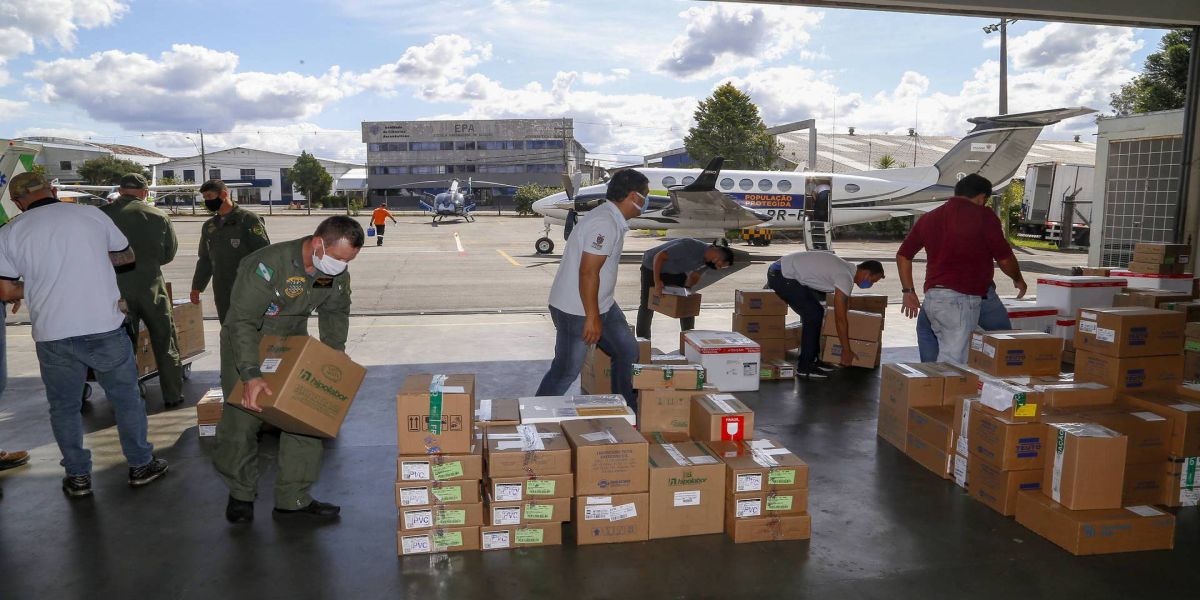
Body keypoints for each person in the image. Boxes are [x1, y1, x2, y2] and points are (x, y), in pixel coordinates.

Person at [0, 172, 168, 497]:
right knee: (125, 399)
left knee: (63, 407)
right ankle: (140, 464)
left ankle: (78, 476)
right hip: (102, 327)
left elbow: (5, 290)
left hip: (52, 334)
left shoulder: (9, 232)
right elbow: (126, 257)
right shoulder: (91, 214)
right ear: (51, 190)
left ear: (18, 202)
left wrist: (34, 285)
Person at [213, 216, 362, 524]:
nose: (340, 266)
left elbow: (335, 310)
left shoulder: (333, 273)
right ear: (318, 243)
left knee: (305, 416)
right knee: (243, 419)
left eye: (348, 262)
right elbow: (242, 322)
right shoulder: (267, 264)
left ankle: (293, 498)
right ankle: (241, 492)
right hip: (248, 341)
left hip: (292, 339)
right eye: (337, 259)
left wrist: (335, 351)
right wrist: (251, 374)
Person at [536, 169, 648, 410]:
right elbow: (588, 272)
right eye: (645, 195)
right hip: (577, 310)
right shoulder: (605, 223)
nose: (646, 202)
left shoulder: (611, 217)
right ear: (633, 197)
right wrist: (592, 317)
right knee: (566, 371)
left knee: (628, 351)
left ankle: (625, 409)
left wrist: (598, 311)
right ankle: (533, 418)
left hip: (601, 304)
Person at [897, 174, 1027, 363]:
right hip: (961, 300)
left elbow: (903, 255)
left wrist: (908, 291)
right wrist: (1018, 279)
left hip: (933, 297)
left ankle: (926, 384)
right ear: (982, 197)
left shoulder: (929, 217)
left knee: (928, 333)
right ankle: (941, 389)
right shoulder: (983, 216)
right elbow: (1005, 259)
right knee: (954, 362)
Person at [100, 173, 184, 408]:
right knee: (164, 341)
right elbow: (167, 254)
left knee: (123, 345)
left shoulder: (102, 215)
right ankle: (173, 393)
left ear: (120, 189)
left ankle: (129, 395)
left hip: (115, 289)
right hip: (151, 287)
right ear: (145, 192)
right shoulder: (158, 215)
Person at [767, 252, 885, 380]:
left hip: (784, 271)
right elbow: (840, 319)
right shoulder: (845, 277)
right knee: (813, 315)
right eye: (872, 281)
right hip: (781, 274)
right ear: (866, 273)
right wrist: (846, 350)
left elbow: (844, 306)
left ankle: (813, 360)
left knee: (816, 312)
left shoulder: (846, 269)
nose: (870, 284)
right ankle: (804, 367)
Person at [190, 179, 271, 323]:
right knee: (227, 326)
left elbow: (264, 254)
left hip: (247, 286)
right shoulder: (209, 226)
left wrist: (267, 285)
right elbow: (205, 259)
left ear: (223, 194)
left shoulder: (248, 220)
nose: (207, 201)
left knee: (249, 329)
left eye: (209, 196)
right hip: (222, 288)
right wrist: (197, 287)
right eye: (204, 198)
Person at [635, 238, 734, 339]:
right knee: (647, 305)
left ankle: (689, 339)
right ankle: (643, 342)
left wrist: (687, 290)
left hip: (676, 271)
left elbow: (695, 276)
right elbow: (659, 257)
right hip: (652, 265)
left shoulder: (709, 262)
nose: (717, 268)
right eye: (719, 265)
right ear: (717, 255)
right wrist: (657, 282)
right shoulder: (689, 246)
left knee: (686, 304)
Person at [916, 285, 1010, 362]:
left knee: (927, 331)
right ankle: (944, 380)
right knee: (955, 356)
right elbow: (1005, 261)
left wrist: (908, 291)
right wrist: (1018, 279)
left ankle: (930, 378)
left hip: (934, 292)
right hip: (963, 293)